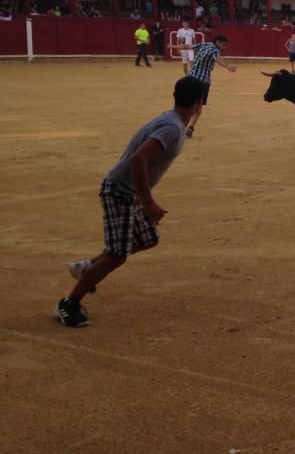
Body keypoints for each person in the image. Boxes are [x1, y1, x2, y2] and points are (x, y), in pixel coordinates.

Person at [56, 76, 205, 327]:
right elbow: (138, 159)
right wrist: (148, 202)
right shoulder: (172, 128)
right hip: (121, 191)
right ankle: (68, 303)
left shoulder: (169, 119)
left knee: (147, 238)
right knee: (117, 254)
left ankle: (87, 268)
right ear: (199, 103)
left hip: (129, 191)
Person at [169, 35, 237, 137]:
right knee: (197, 108)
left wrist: (174, 46)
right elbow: (218, 59)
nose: (224, 47)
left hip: (190, 78)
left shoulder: (204, 44)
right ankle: (190, 127)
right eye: (223, 45)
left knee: (184, 104)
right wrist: (228, 66)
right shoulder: (215, 50)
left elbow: (188, 46)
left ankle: (181, 126)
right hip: (202, 82)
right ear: (218, 42)